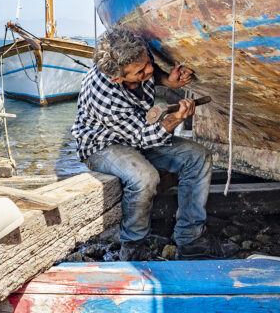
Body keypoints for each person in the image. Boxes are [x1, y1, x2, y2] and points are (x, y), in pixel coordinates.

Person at [71, 28, 238, 261]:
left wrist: (167, 80)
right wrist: (177, 118)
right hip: (104, 145)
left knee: (198, 157)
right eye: (141, 71)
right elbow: (143, 138)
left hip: (138, 129)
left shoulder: (134, 54)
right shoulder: (106, 99)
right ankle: (133, 246)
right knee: (144, 177)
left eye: (148, 62)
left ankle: (191, 241)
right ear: (117, 78)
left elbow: (149, 71)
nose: (148, 70)